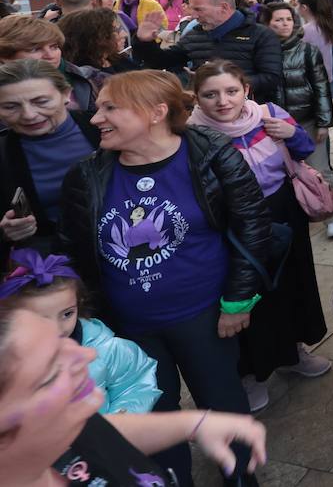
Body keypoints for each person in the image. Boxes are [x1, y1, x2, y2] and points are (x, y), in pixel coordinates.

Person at [57, 70, 273, 484]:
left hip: (206, 317)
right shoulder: (85, 175)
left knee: (223, 403)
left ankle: (241, 477)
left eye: (110, 108)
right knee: (153, 415)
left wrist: (238, 300)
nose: (95, 117)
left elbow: (252, 225)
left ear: (155, 113)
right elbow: (73, 250)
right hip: (129, 325)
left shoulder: (210, 153)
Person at [187, 61, 330, 412]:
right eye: (211, 94)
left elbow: (303, 148)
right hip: (232, 223)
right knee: (248, 295)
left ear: (246, 90)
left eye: (231, 91)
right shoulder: (191, 134)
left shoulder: (268, 114)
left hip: (282, 209)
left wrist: (291, 133)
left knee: (292, 285)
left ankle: (295, 352)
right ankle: (252, 373)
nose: (223, 101)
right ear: (197, 97)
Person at [0, 307, 269, 487]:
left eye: (63, 343)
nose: (88, 355)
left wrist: (194, 424)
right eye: (51, 370)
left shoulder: (61, 428)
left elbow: (97, 432)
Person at [0, 248, 161, 414]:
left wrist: (122, 416)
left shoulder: (104, 349)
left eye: (67, 314)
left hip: (100, 437)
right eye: (41, 319)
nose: (57, 329)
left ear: (79, 303)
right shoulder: (7, 358)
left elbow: (135, 381)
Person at [0, 61, 100, 262]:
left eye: (41, 101)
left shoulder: (105, 130)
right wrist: (6, 232)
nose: (29, 115)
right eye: (11, 106)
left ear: (66, 94)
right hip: (52, 266)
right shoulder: (3, 154)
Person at [133, 0, 284, 104]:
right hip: (209, 117)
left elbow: (271, 78)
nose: (194, 15)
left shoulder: (261, 35)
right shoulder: (196, 35)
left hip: (253, 115)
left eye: (199, 9)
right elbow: (162, 61)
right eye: (192, 9)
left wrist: (224, 86)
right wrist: (144, 42)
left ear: (224, 8)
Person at [260, 2, 333, 189]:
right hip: (275, 123)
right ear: (267, 24)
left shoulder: (308, 51)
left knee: (318, 170)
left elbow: (321, 87)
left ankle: (325, 211)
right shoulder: (261, 53)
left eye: (288, 19)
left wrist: (324, 122)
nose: (285, 24)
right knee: (286, 172)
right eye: (278, 20)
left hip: (306, 120)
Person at [0, 13, 102, 111]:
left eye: (54, 47)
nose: (50, 55)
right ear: (5, 56)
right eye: (35, 49)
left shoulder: (92, 78)